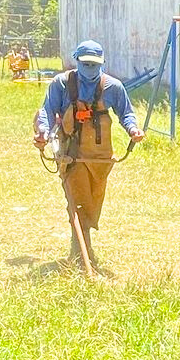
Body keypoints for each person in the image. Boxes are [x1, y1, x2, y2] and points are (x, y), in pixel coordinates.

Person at [33, 40, 144, 266]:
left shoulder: (113, 87)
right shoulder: (61, 84)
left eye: (95, 64)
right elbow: (46, 111)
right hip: (72, 154)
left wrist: (133, 130)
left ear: (102, 63)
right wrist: (43, 133)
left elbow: (126, 113)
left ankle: (84, 247)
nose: (90, 68)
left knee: (93, 200)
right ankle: (81, 255)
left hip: (100, 157)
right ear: (77, 60)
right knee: (77, 200)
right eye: (86, 63)